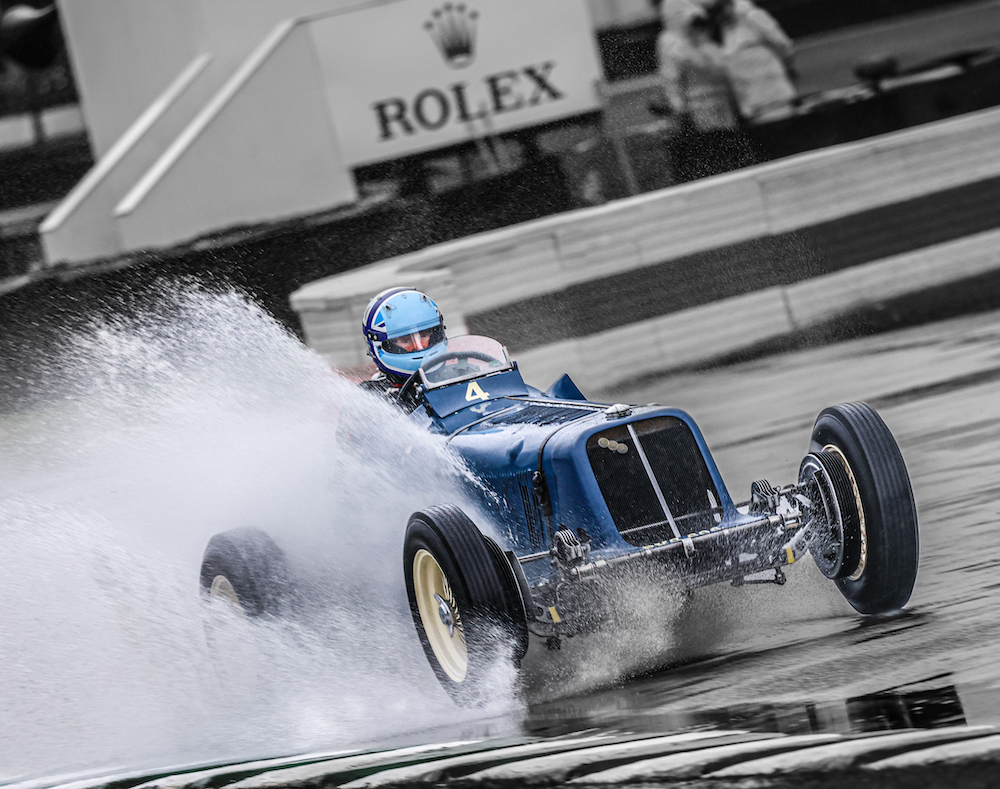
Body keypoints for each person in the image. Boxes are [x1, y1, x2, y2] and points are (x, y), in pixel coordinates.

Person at [656, 0, 754, 182]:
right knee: (712, 154)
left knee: (730, 152)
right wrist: (679, 108)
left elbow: (728, 74)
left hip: (723, 110)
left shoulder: (707, 46)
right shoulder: (674, 46)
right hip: (698, 114)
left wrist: (743, 104)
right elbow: (671, 80)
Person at [704, 0, 797, 121]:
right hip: (749, 93)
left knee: (780, 116)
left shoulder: (752, 15)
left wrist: (787, 61)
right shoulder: (723, 25)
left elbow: (781, 42)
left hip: (768, 86)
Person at [360, 287, 446, 400]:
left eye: (424, 335)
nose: (419, 346)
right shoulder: (369, 397)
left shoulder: (461, 373)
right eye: (406, 340)